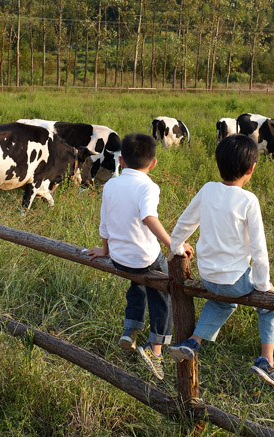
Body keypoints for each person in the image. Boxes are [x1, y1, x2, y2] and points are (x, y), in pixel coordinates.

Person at [166, 134, 274, 389]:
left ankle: (193, 341)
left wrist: (176, 246)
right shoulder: (248, 200)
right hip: (235, 281)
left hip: (208, 278)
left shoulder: (208, 189)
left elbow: (185, 222)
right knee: (269, 305)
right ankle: (267, 359)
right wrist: (264, 286)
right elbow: (259, 248)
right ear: (251, 169)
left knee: (222, 302)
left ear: (218, 163)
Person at [86, 132, 173, 380]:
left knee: (139, 281)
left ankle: (130, 328)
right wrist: (173, 244)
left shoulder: (111, 184)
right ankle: (156, 350)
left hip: (119, 259)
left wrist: (105, 250)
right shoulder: (149, 186)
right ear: (153, 163)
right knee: (164, 291)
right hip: (143, 258)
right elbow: (149, 217)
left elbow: (104, 223)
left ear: (121, 160)